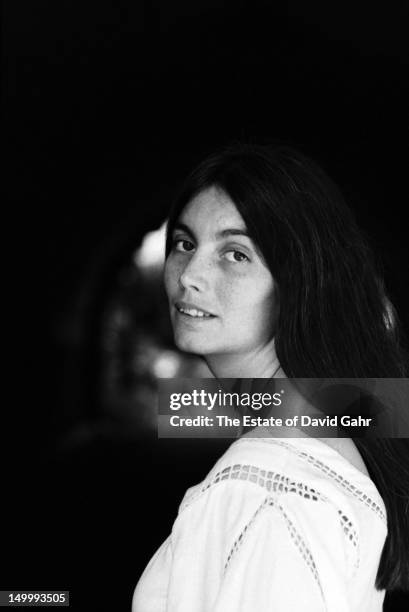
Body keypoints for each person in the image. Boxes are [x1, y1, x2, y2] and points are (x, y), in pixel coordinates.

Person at [132, 144, 409, 611]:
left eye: (236, 254)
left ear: (298, 284)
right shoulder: (323, 438)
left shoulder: (268, 488)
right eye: (184, 243)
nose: (189, 275)